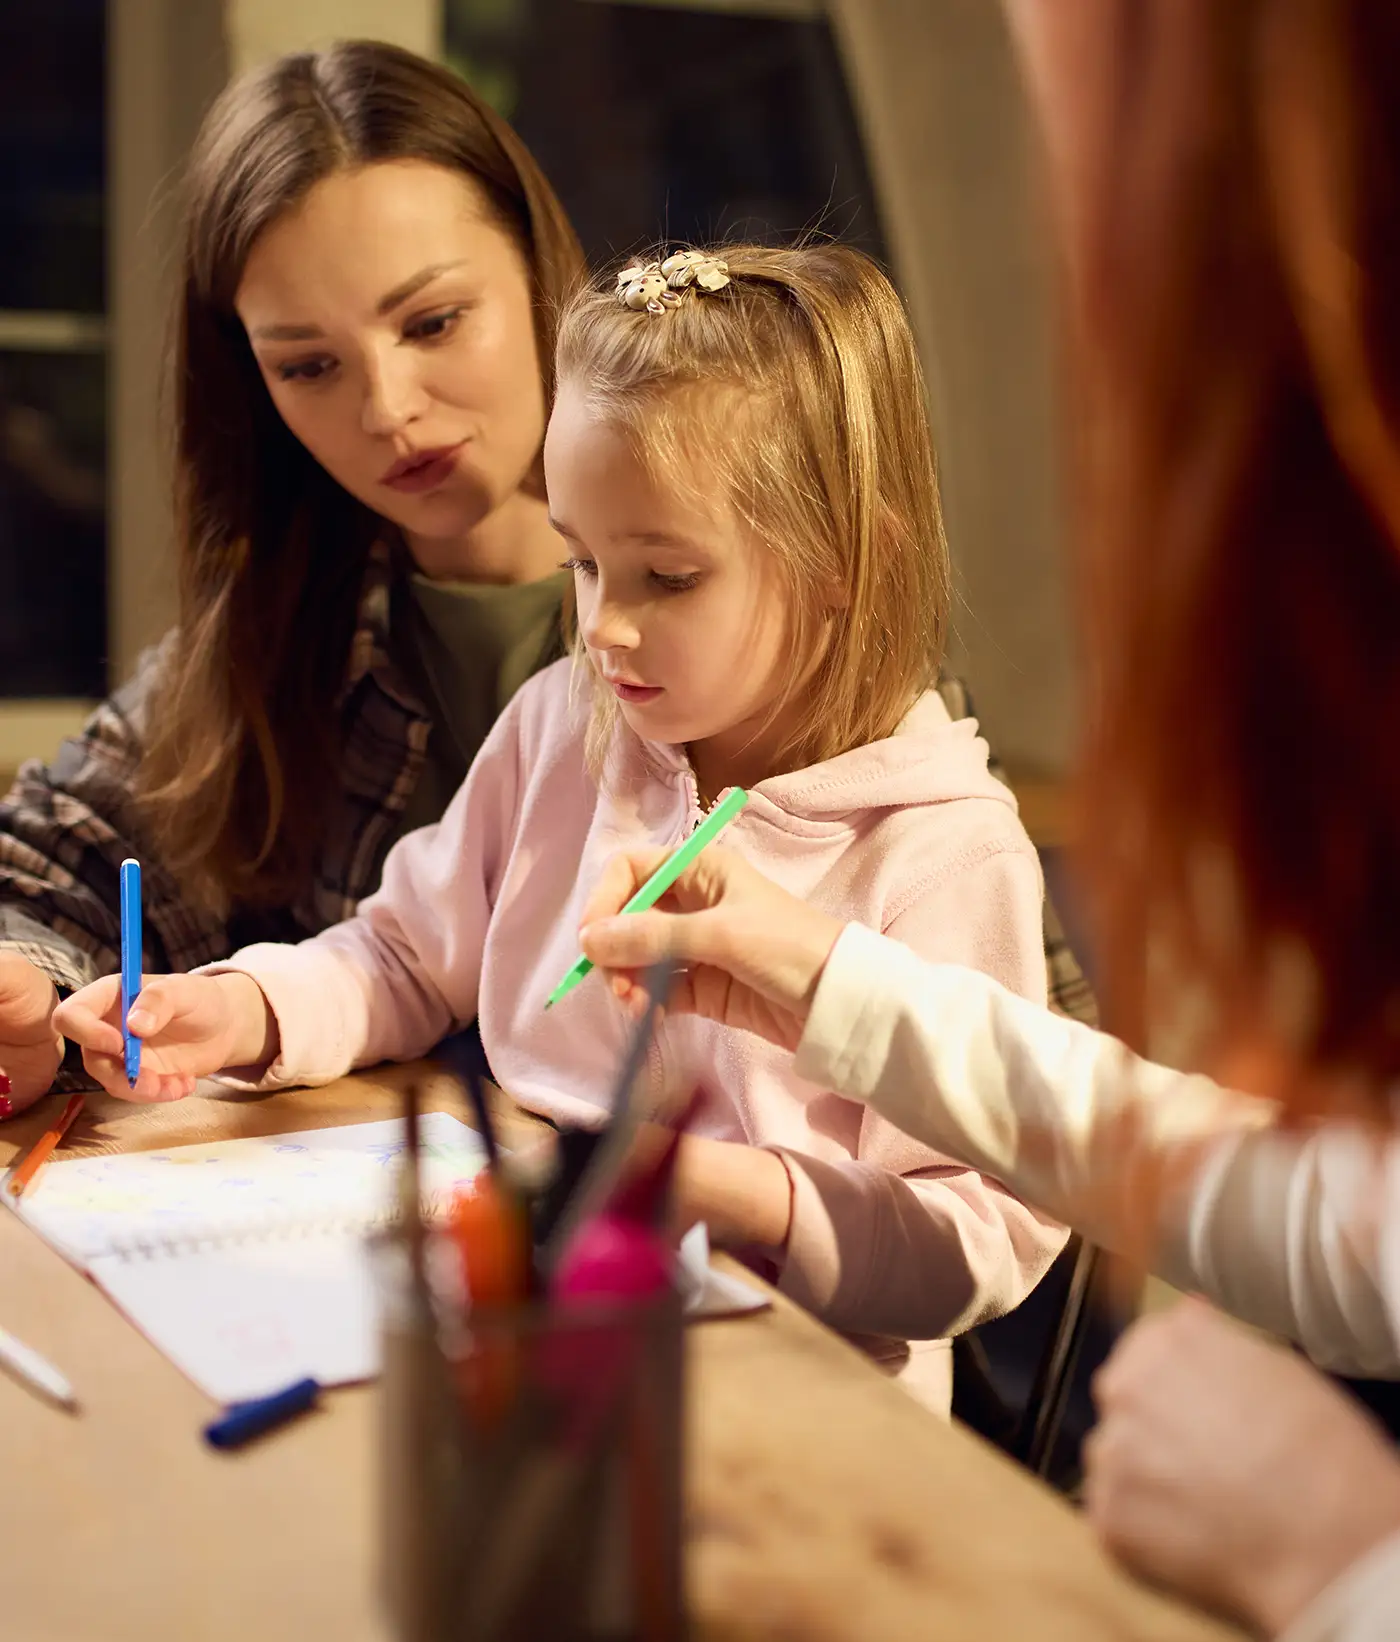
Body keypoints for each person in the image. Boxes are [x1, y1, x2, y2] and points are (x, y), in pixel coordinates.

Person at [556, 1, 1400, 1635]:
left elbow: (966, 1249)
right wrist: (835, 982)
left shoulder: (953, 827)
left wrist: (1342, 1556)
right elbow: (1358, 1229)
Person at [0, 40, 1095, 1124]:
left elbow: (1015, 1095)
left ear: (537, 276)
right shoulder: (278, 643)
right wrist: (33, 986)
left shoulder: (807, 679)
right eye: (307, 365)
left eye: (432, 321)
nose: (387, 408)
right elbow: (52, 866)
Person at [56, 241, 1068, 1412]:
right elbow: (402, 952)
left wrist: (727, 1191)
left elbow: (979, 1232)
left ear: (846, 560)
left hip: (800, 1400)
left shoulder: (942, 848)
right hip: (535, 1323)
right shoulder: (563, 725)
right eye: (581, 562)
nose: (603, 628)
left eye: (666, 576)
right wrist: (244, 1007)